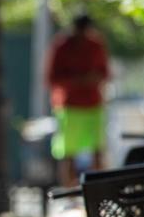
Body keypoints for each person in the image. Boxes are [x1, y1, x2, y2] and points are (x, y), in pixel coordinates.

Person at [46, 13, 111, 186]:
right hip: (70, 106)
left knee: (97, 151)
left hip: (93, 105)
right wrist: (76, 80)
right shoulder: (62, 45)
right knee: (68, 153)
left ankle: (100, 191)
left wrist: (92, 79)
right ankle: (69, 192)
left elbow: (105, 73)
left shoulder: (96, 45)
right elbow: (52, 78)